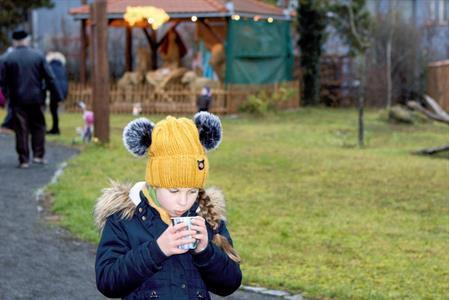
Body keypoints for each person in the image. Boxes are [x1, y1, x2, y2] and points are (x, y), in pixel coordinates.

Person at [95, 112, 242, 299]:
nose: (183, 201)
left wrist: (205, 251)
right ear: (155, 182)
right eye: (174, 191)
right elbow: (107, 281)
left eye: (192, 191)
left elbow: (230, 284)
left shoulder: (207, 217)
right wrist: (157, 250)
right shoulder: (124, 218)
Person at [0, 30, 63, 168]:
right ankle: (38, 155)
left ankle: (24, 159)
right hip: (36, 98)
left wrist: (3, 97)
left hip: (17, 98)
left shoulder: (6, 58)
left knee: (21, 129)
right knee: (38, 126)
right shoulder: (38, 56)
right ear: (27, 40)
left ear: (14, 41)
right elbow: (50, 78)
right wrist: (57, 95)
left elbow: (1, 81)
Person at [46, 51, 68, 135]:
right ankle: (55, 128)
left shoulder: (50, 66)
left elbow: (50, 79)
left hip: (55, 89)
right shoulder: (61, 66)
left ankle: (55, 128)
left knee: (53, 109)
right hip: (62, 89)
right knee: (54, 109)